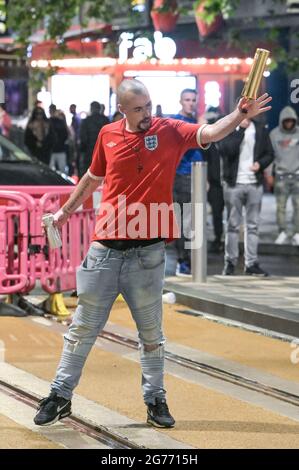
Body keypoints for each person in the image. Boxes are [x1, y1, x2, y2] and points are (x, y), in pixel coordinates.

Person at [34, 79, 271, 428]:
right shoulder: (107, 135)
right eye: (138, 109)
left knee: (151, 335)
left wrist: (238, 113)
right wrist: (65, 212)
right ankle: (60, 395)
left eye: (148, 105)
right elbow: (91, 177)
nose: (147, 114)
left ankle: (155, 399)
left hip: (147, 254)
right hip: (105, 251)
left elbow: (212, 132)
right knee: (82, 329)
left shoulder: (170, 129)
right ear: (122, 111)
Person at [218, 117, 274, 276]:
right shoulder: (229, 126)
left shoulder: (260, 128)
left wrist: (260, 164)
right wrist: (240, 130)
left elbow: (270, 153)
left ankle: (251, 264)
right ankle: (230, 262)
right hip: (233, 184)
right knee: (232, 225)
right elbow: (225, 150)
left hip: (254, 184)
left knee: (253, 226)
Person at [173, 89, 204, 275]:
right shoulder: (178, 123)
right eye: (187, 100)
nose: (190, 103)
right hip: (182, 176)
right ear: (180, 101)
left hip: (198, 175)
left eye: (193, 100)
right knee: (184, 221)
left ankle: (193, 260)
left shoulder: (196, 122)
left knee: (195, 221)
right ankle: (183, 261)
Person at [270, 106, 299, 245]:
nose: (288, 123)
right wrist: (269, 174)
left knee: (298, 206)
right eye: (286, 121)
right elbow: (271, 155)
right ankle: (282, 231)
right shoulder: (274, 134)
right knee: (280, 207)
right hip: (281, 176)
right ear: (282, 121)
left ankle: (297, 233)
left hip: (297, 176)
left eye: (291, 121)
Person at [204, 106, 225, 253]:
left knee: (231, 213)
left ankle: (225, 241)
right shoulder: (207, 141)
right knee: (217, 212)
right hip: (215, 182)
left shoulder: (228, 136)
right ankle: (218, 239)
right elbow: (204, 160)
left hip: (230, 179)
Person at [79, 101, 110, 177]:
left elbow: (83, 138)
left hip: (89, 151)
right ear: (99, 109)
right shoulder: (106, 120)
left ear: (91, 109)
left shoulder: (86, 121)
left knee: (89, 174)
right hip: (104, 151)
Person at [49, 104, 69, 173]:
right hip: (59, 149)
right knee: (62, 170)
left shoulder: (48, 122)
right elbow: (65, 135)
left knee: (51, 170)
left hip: (52, 149)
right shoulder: (60, 122)